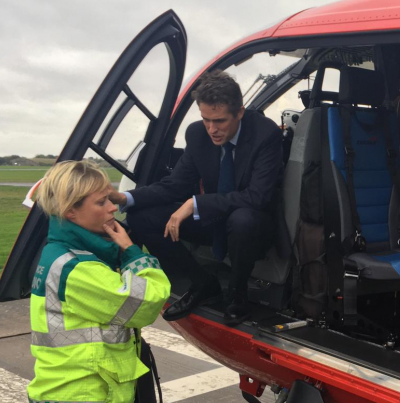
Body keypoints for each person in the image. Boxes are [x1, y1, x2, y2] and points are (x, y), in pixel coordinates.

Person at [28, 160, 171, 403]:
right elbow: (148, 302)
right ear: (71, 212)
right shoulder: (79, 269)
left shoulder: (62, 254)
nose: (112, 207)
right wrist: (133, 253)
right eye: (101, 202)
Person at [110, 69, 283, 324]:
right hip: (215, 217)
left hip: (254, 225)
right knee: (141, 217)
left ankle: (237, 295)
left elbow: (258, 197)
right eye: (206, 120)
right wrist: (124, 198)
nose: (212, 129)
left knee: (243, 219)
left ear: (240, 112)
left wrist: (195, 203)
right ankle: (202, 283)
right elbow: (175, 185)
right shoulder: (197, 134)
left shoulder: (265, 134)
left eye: (220, 121)